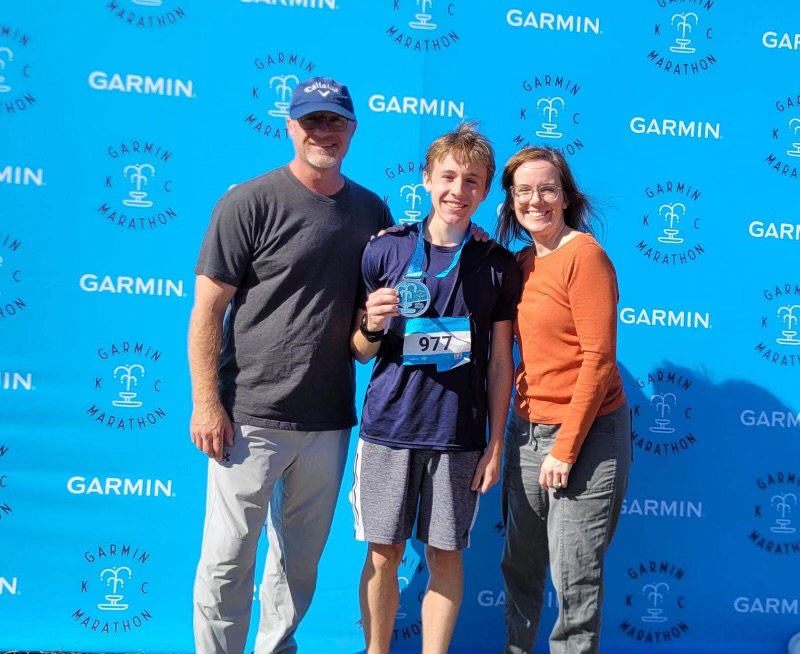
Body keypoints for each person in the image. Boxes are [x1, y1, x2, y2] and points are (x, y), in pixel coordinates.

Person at [189, 76, 393, 654]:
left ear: (352, 130)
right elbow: (207, 310)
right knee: (228, 562)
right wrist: (207, 402)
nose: (323, 131)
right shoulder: (248, 201)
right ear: (289, 126)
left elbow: (362, 333)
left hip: (327, 420)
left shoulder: (371, 209)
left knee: (297, 566)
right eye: (312, 120)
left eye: (335, 121)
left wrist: (374, 331)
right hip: (247, 416)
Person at [349, 123, 522, 654]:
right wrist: (372, 326)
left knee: (446, 556)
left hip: (459, 437)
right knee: (384, 553)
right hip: (388, 431)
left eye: (472, 181)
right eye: (447, 176)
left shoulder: (497, 265)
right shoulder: (386, 252)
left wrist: (495, 443)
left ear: (485, 190)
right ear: (426, 179)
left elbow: (499, 365)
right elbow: (359, 349)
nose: (458, 190)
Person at [496, 146, 631, 654]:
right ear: (511, 200)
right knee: (520, 570)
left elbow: (598, 360)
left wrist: (566, 449)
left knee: (574, 579)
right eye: (524, 191)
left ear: (567, 197)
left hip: (586, 436)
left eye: (547, 189)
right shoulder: (520, 262)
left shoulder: (585, 256)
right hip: (526, 430)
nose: (536, 200)